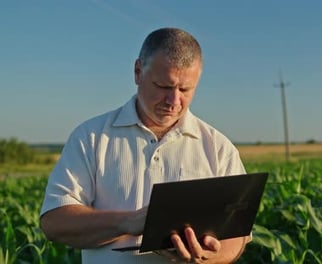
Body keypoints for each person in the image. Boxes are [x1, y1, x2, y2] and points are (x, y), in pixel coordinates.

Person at [40, 27, 250, 264]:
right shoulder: (91, 137)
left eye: (185, 89)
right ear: (138, 72)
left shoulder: (218, 147)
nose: (173, 101)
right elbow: (54, 222)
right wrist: (128, 222)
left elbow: (239, 236)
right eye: (163, 86)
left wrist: (204, 256)